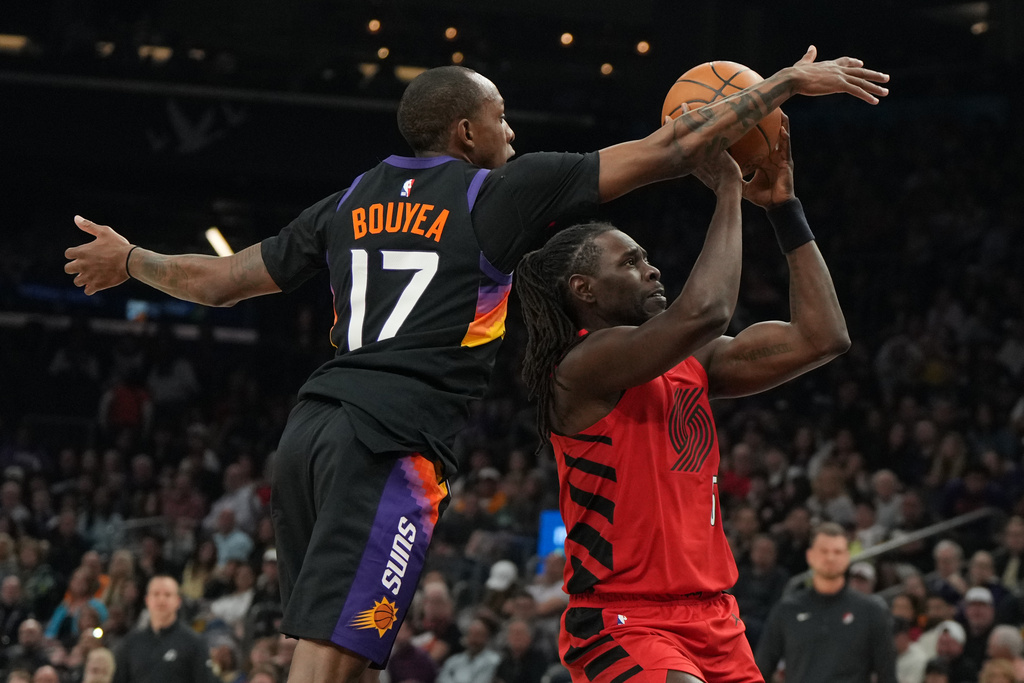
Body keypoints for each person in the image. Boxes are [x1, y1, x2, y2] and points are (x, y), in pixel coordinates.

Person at [65, 51, 888, 683]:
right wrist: (781, 85)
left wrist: (132, 258)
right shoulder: (495, 198)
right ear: (466, 134)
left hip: (312, 431)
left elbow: (220, 281)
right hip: (390, 440)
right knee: (329, 661)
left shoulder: (348, 201)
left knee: (342, 653)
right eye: (500, 119)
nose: (512, 134)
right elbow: (673, 147)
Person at [515, 97, 853, 680]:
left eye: (646, 258)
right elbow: (707, 311)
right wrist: (728, 191)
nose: (651, 269)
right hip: (624, 619)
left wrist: (784, 209)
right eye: (629, 263)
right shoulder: (581, 366)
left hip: (716, 617)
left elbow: (823, 338)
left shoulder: (693, 361)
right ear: (584, 290)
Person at [756, 523, 896, 682]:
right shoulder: (786, 610)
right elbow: (761, 670)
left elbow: (887, 676)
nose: (830, 558)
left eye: (837, 552)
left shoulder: (871, 611)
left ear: (847, 557)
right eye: (824, 551)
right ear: (810, 556)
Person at [112, 575, 216, 683]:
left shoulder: (194, 643)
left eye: (167, 595)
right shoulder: (131, 643)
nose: (161, 600)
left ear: (178, 601)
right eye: (156, 594)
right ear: (147, 600)